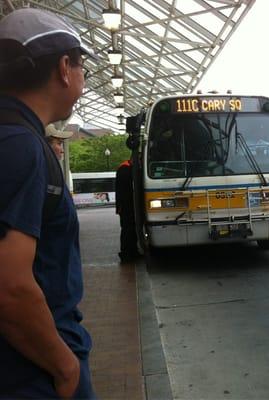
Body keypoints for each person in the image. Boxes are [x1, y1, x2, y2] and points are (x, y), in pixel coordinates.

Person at [0, 8, 96, 399]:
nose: (84, 77)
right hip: (31, 368)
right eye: (82, 65)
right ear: (63, 68)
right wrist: (64, 365)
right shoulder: (18, 146)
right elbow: (9, 286)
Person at [115, 159, 140, 262]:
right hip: (126, 205)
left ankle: (132, 251)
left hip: (126, 205)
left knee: (131, 229)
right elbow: (127, 190)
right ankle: (126, 253)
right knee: (128, 229)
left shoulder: (125, 168)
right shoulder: (125, 169)